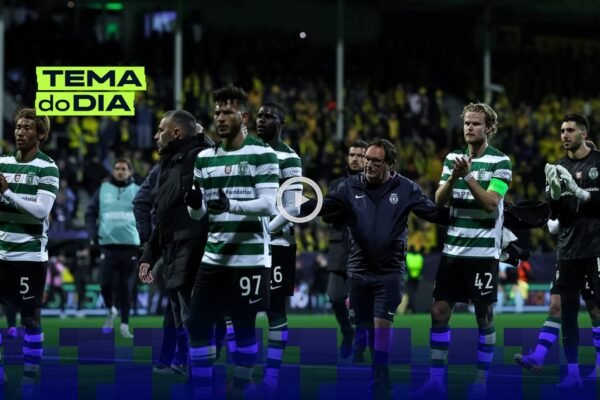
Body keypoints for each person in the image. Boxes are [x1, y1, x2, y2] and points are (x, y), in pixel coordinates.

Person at [302, 138, 449, 397]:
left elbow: (434, 213)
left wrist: (470, 217)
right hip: (358, 270)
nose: (368, 164)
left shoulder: (406, 188)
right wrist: (295, 205)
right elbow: (323, 206)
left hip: (389, 270)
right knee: (366, 325)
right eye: (367, 159)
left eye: (375, 161)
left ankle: (381, 375)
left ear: (390, 164)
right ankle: (377, 369)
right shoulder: (349, 187)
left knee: (382, 323)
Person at [185, 85, 279, 397]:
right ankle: (202, 390)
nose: (220, 118)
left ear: (244, 117)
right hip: (214, 256)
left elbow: (269, 204)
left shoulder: (262, 154)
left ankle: (239, 388)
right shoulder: (204, 159)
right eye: (217, 113)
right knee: (197, 324)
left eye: (227, 112)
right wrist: (194, 204)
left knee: (243, 327)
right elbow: (199, 214)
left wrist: (232, 205)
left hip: (249, 258)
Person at [413, 102, 512, 399]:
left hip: (482, 253)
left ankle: (482, 379)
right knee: (439, 312)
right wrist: (455, 176)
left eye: (476, 123)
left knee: (483, 316)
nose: (469, 128)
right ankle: (436, 380)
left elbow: (491, 203)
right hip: (453, 250)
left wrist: (467, 176)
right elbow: (439, 200)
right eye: (467, 123)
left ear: (489, 128)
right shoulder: (452, 159)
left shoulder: (501, 162)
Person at [515, 114, 600, 388]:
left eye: (570, 130)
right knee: (564, 311)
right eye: (562, 130)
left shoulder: (598, 163)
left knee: (597, 311)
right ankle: (572, 373)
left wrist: (582, 194)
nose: (564, 135)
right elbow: (556, 214)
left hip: (595, 250)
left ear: (584, 134)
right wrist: (553, 197)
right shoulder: (559, 166)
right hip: (567, 252)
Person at [137, 111, 211, 376]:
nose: (156, 136)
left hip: (191, 247)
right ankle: (187, 364)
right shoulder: (168, 165)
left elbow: (218, 159)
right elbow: (163, 216)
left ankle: (202, 371)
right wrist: (149, 254)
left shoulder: (197, 157)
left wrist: (202, 136)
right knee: (180, 315)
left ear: (176, 133)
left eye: (161, 130)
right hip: (171, 249)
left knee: (193, 316)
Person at [0, 108, 59, 391]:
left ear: (41, 135)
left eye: (27, 128)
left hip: (30, 255)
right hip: (1, 253)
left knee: (30, 319)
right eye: (18, 127)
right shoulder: (2, 163)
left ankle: (29, 379)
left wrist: (7, 192)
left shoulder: (47, 168)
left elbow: (41, 212)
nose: (20, 132)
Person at [255, 102, 302, 394]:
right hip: (248, 244)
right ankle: (243, 372)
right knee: (238, 310)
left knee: (274, 310)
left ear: (281, 123)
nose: (261, 120)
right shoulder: (247, 152)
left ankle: (271, 377)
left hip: (277, 243)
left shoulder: (289, 158)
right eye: (259, 115)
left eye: (268, 116)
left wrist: (265, 230)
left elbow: (292, 207)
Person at [85, 158, 140, 339]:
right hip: (107, 245)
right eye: (117, 168)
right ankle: (110, 309)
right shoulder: (103, 190)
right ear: (113, 171)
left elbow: (148, 214)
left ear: (130, 172)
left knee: (125, 287)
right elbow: (90, 212)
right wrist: (92, 233)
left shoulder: (138, 190)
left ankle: (125, 325)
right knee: (104, 283)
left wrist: (146, 236)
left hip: (130, 245)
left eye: (123, 169)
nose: (120, 171)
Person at [325, 141, 370, 360]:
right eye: (352, 154)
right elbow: (326, 215)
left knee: (361, 302)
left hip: (364, 249)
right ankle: (347, 330)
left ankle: (360, 348)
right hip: (339, 248)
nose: (354, 159)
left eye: (360, 155)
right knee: (335, 297)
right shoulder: (336, 184)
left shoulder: (373, 185)